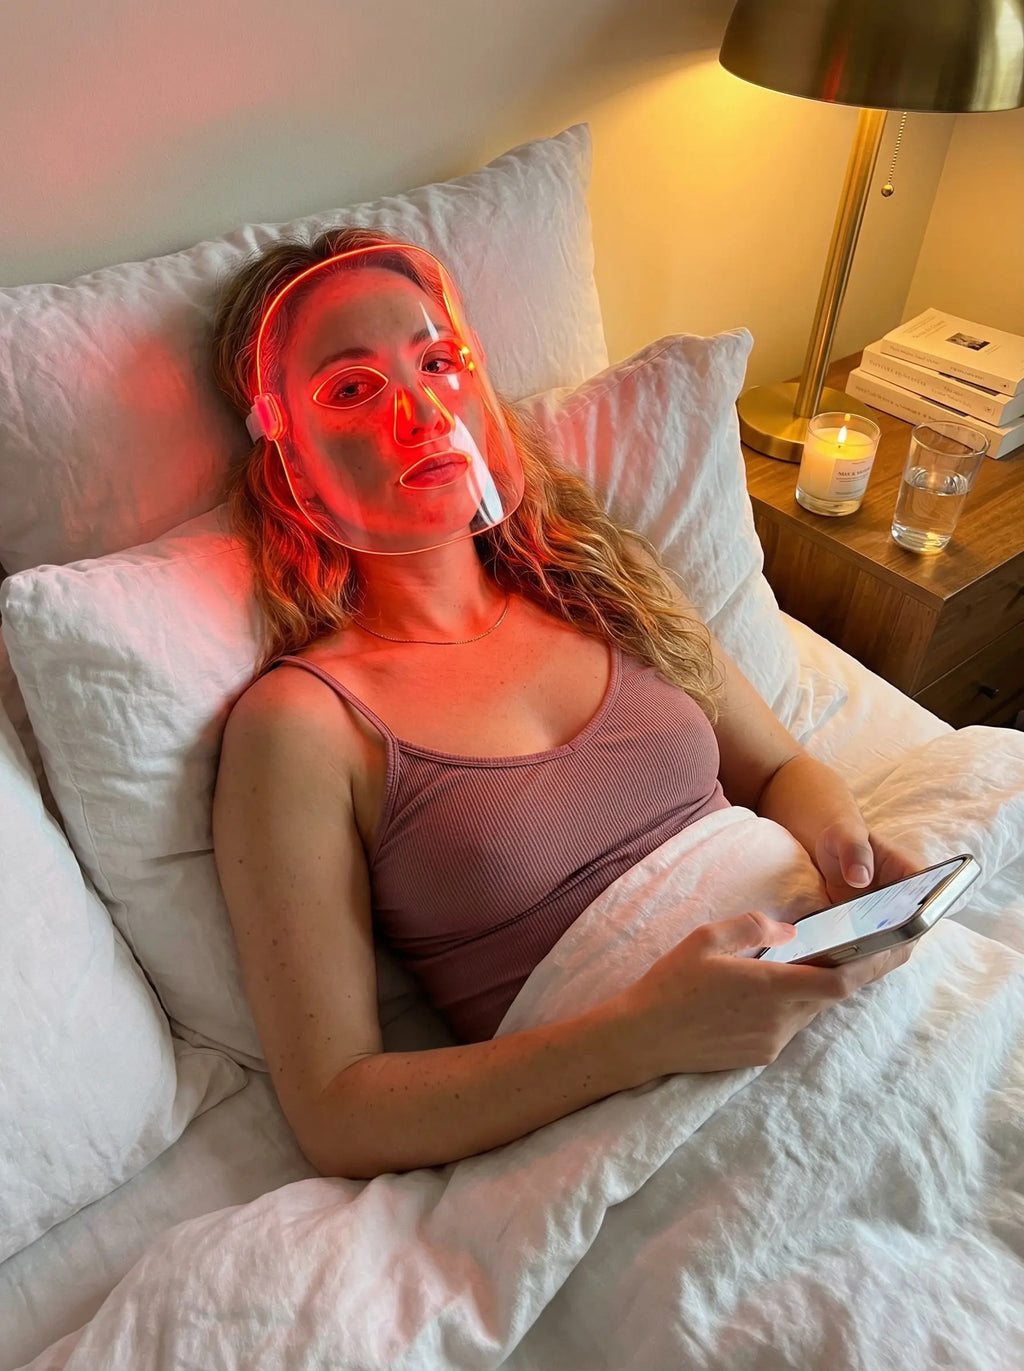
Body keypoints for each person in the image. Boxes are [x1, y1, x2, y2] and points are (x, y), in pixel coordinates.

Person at [210, 228, 915, 1181]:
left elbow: (783, 768)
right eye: (351, 389)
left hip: (847, 988)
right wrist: (645, 1033)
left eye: (437, 361)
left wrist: (849, 858)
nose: (419, 412)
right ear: (283, 456)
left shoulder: (600, 582)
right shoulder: (303, 726)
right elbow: (337, 1110)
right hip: (665, 1134)